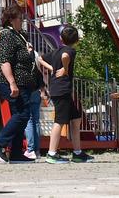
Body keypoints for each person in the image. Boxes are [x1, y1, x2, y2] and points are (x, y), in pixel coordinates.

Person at [0, 3, 51, 162]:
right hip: (14, 82)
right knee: (22, 114)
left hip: (25, 83)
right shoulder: (6, 35)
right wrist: (12, 83)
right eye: (19, 18)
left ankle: (16, 152)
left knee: (21, 114)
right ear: (11, 19)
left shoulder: (19, 35)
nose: (22, 20)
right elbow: (4, 61)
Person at [44, 25, 93, 163]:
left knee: (76, 118)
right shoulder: (69, 51)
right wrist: (65, 69)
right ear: (76, 40)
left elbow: (40, 58)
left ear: (60, 39)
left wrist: (52, 68)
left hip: (58, 89)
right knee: (59, 121)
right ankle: (51, 153)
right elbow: (65, 56)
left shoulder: (55, 51)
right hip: (62, 89)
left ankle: (77, 152)